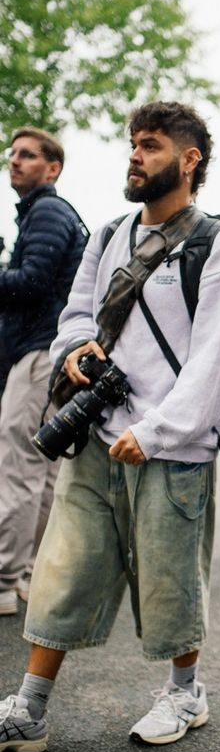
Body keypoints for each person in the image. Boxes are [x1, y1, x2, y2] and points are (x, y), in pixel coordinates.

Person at [0, 101, 220, 752]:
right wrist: (77, 350)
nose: (135, 155)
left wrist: (163, 429)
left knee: (170, 581)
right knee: (63, 569)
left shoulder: (216, 246)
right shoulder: (112, 231)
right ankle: (29, 709)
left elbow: (216, 356)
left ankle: (185, 691)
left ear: (189, 158)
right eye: (133, 144)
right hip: (96, 435)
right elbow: (76, 312)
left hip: (169, 448)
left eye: (150, 145)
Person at [0, 128, 87, 617]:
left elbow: (30, 283)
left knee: (18, 467)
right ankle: (30, 575)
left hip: (38, 355)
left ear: (52, 169)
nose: (15, 162)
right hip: (53, 357)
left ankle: (5, 578)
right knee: (44, 468)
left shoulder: (48, 211)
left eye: (28, 156)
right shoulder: (52, 213)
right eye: (13, 155)